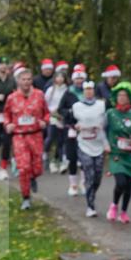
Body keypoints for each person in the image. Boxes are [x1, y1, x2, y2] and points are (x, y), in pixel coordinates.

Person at [3, 69, 50, 210]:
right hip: (19, 136)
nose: (26, 82)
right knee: (23, 168)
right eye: (23, 79)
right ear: (18, 81)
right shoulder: (12, 98)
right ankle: (26, 198)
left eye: (29, 79)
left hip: (36, 135)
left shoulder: (39, 95)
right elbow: (6, 115)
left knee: (37, 168)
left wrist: (44, 121)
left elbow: (47, 113)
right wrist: (8, 124)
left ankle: (33, 177)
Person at [105, 82, 131, 224]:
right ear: (116, 98)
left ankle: (124, 212)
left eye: (125, 96)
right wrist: (105, 144)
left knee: (129, 185)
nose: (122, 98)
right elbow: (102, 128)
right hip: (116, 153)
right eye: (119, 95)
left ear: (130, 98)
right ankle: (114, 205)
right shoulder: (110, 113)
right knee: (121, 182)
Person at [72, 80, 110, 217]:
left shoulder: (101, 105)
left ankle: (92, 193)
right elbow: (69, 121)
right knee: (89, 174)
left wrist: (106, 142)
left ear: (94, 91)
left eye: (91, 89)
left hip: (98, 143)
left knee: (97, 176)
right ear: (83, 91)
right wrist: (75, 126)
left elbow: (107, 123)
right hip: (84, 144)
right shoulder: (76, 106)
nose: (88, 92)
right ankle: (90, 206)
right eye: (86, 89)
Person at [58, 63, 89, 195]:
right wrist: (70, 112)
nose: (79, 81)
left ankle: (84, 183)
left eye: (81, 78)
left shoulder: (88, 92)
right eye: (77, 78)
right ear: (73, 79)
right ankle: (73, 185)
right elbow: (60, 109)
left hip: (86, 129)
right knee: (72, 157)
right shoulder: (69, 92)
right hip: (71, 128)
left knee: (85, 157)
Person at [43, 69, 69, 173]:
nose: (60, 79)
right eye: (58, 77)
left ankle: (60, 160)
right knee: (50, 137)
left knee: (61, 140)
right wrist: (52, 113)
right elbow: (45, 103)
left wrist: (63, 114)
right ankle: (45, 153)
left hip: (63, 117)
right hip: (52, 116)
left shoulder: (67, 90)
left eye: (62, 77)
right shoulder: (51, 90)